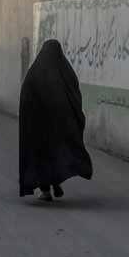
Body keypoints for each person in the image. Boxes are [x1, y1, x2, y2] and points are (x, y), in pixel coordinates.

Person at [18, 39, 93, 202]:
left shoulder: (33, 75)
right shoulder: (65, 73)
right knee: (58, 154)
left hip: (38, 129)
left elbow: (25, 100)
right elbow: (74, 97)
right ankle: (56, 182)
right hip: (59, 127)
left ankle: (45, 191)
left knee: (41, 156)